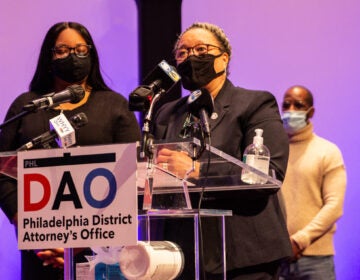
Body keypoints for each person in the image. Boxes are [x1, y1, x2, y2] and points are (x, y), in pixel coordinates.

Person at [150, 22, 292, 280]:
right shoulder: (167, 112)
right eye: (183, 53)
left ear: (223, 58)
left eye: (201, 49)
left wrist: (197, 171)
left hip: (243, 254)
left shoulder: (255, 104)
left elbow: (269, 175)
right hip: (181, 253)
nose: (191, 57)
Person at [0, 22, 141, 280]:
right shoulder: (27, 106)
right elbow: (3, 172)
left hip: (102, 251)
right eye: (62, 50)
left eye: (80, 49)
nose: (73, 56)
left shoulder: (114, 106)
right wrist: (30, 227)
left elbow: (130, 174)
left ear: (91, 54)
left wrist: (80, 240)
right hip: (41, 249)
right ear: (49, 56)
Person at [279, 85, 346, 280]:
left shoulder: (327, 151)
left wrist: (299, 241)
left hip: (316, 261)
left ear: (311, 111)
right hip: (278, 258)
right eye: (286, 104)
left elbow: (334, 206)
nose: (291, 110)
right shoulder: (273, 152)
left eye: (298, 105)